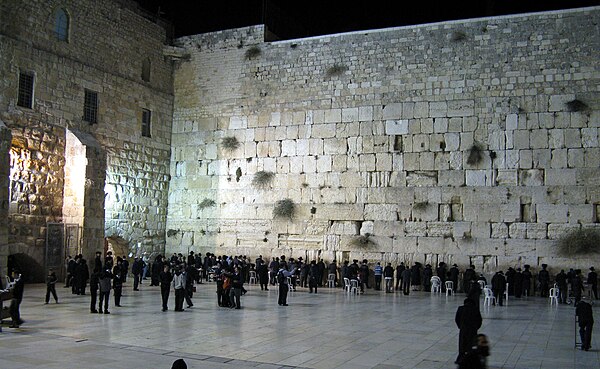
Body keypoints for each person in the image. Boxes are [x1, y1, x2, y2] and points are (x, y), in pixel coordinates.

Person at [455, 297, 482, 364]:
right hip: (472, 330)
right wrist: (476, 327)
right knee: (471, 345)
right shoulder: (475, 309)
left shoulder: (460, 308)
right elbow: (479, 320)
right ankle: (471, 360)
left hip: (463, 329)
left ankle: (461, 359)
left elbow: (457, 319)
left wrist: (460, 326)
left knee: (462, 344)